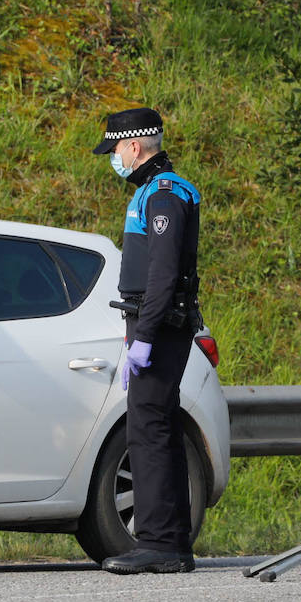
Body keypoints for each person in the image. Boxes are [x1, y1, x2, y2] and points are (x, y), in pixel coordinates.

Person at [92, 107, 202, 574]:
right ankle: (171, 542)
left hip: (159, 324)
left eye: (115, 149)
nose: (113, 158)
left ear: (133, 147)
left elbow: (162, 275)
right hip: (149, 323)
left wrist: (146, 338)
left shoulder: (163, 195)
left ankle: (159, 543)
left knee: (149, 433)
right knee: (158, 429)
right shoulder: (152, 192)